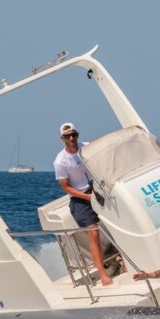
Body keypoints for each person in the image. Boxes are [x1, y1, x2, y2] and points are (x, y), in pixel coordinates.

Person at [54, 122, 112, 286]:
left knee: (118, 221)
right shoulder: (60, 161)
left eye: (74, 134)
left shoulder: (87, 148)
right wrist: (88, 198)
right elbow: (66, 187)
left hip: (98, 189)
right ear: (62, 138)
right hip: (80, 198)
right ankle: (103, 275)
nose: (71, 138)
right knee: (93, 233)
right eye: (67, 136)